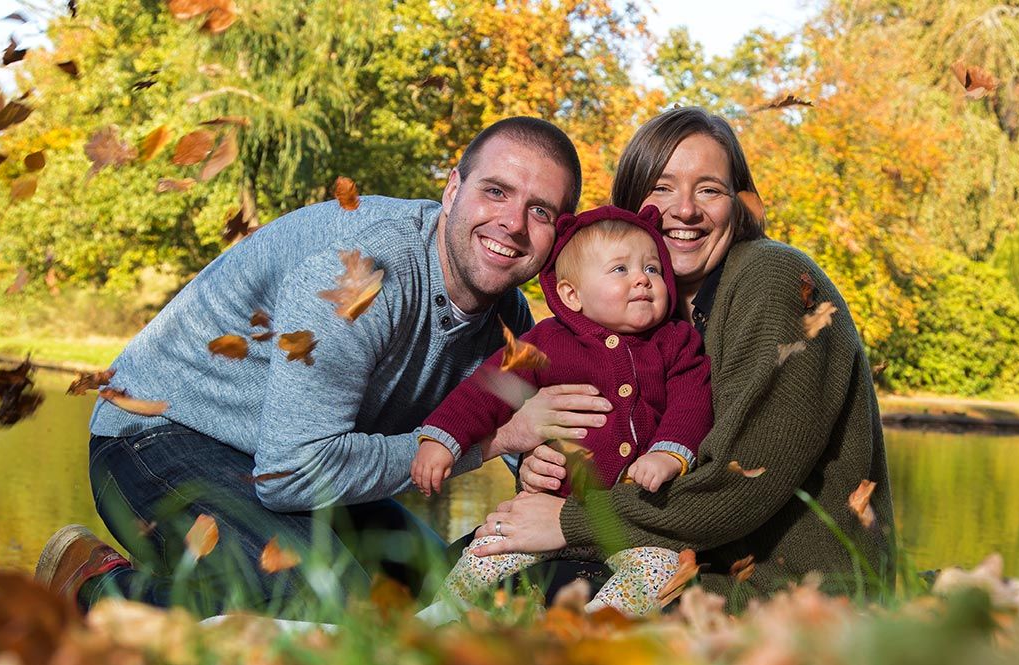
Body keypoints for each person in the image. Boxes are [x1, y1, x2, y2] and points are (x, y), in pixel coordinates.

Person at [36, 117, 613, 617]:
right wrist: (493, 442)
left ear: (558, 234)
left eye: (540, 211)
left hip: (299, 463)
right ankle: (93, 589)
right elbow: (291, 472)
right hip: (160, 435)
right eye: (496, 192)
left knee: (432, 602)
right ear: (452, 189)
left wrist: (551, 471)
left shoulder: (509, 321)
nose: (513, 223)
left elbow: (537, 443)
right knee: (328, 609)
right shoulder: (358, 273)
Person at [472, 107, 895, 609]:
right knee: (480, 554)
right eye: (662, 188)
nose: (686, 210)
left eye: (709, 190)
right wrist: (545, 467)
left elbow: (742, 483)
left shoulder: (773, 279)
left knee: (517, 589)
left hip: (782, 591)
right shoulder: (651, 314)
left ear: (740, 204)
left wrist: (569, 521)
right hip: (680, 559)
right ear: (632, 206)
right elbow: (629, 444)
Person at [410, 204, 712, 621]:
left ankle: (592, 626)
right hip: (549, 505)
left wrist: (668, 452)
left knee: (658, 570)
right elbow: (489, 387)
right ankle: (435, 621)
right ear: (572, 295)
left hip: (635, 520)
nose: (643, 278)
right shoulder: (549, 340)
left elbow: (692, 402)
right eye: (620, 269)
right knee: (487, 550)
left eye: (653, 269)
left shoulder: (675, 342)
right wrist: (443, 438)